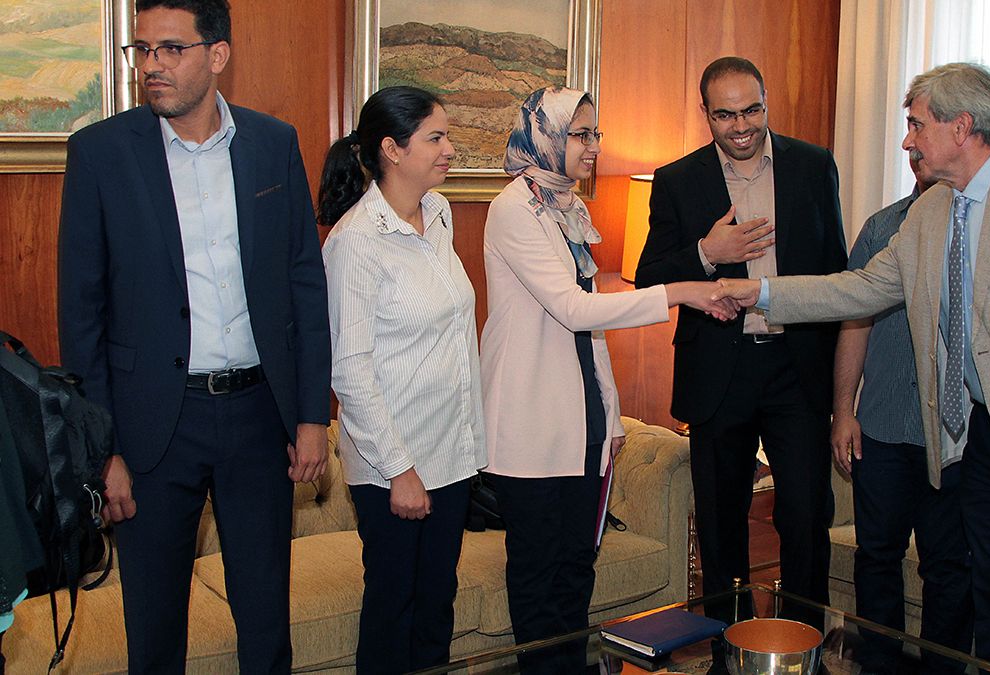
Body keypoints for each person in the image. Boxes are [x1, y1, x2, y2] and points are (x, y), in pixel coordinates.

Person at [714, 62, 990, 673]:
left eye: (916, 125)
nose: (906, 140)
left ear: (962, 126)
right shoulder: (930, 214)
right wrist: (760, 295)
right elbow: (863, 289)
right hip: (988, 447)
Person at [56, 0, 331, 671]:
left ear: (217, 55)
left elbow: (305, 285)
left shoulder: (273, 143)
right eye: (142, 50)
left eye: (171, 49)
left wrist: (311, 415)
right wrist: (102, 449)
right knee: (154, 635)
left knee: (266, 625)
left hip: (256, 419)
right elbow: (81, 316)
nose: (153, 66)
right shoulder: (100, 154)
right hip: (153, 429)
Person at [480, 86, 735, 675]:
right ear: (544, 136)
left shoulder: (568, 206)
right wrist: (679, 291)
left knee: (576, 573)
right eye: (580, 134)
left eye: (595, 134)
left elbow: (588, 322)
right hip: (529, 419)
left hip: (584, 421)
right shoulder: (515, 207)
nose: (594, 147)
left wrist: (611, 409)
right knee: (539, 577)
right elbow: (572, 309)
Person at [634, 56, 847, 638]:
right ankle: (727, 651)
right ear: (705, 114)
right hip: (718, 371)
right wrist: (707, 252)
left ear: (766, 100)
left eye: (752, 109)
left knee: (805, 518)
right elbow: (649, 275)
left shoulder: (812, 165)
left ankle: (801, 647)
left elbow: (836, 273)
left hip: (796, 366)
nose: (742, 125)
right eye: (725, 114)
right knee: (722, 523)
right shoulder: (678, 179)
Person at [318, 86, 486, 673]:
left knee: (437, 609)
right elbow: (351, 372)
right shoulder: (355, 243)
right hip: (395, 467)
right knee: (394, 612)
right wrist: (401, 471)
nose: (449, 149)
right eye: (435, 138)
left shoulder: (438, 216)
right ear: (391, 149)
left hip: (451, 457)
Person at [831, 156, 972, 672]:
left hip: (955, 436)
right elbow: (854, 321)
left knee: (949, 568)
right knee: (877, 560)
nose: (914, 149)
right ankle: (879, 667)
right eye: (909, 139)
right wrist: (842, 411)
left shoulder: (977, 227)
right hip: (883, 429)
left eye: (923, 134)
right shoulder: (883, 229)